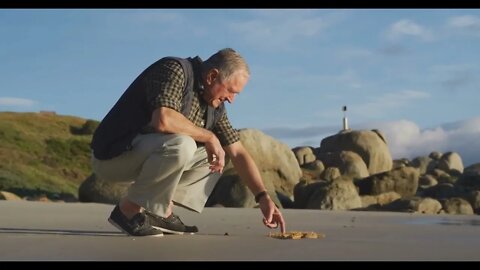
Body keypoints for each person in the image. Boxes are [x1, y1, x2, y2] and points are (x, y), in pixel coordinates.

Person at [91, 48, 286, 237]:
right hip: (113, 156)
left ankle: (160, 212)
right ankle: (128, 210)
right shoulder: (175, 70)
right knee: (184, 144)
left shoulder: (214, 106)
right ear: (212, 76)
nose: (232, 100)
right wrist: (209, 137)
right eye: (231, 91)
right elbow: (164, 119)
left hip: (145, 156)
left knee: (219, 155)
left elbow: (238, 153)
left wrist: (263, 197)